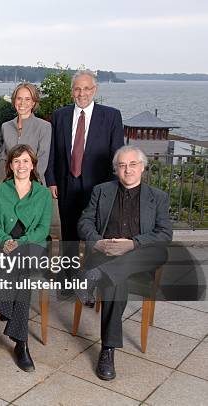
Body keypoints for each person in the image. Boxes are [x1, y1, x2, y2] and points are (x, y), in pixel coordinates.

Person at [75, 145, 172, 381]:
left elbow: (164, 234)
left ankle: (94, 275)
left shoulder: (157, 197)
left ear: (142, 168)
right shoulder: (101, 191)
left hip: (141, 255)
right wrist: (98, 243)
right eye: (122, 165)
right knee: (114, 281)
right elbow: (84, 222)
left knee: (156, 253)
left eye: (133, 164)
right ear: (116, 169)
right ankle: (108, 350)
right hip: (106, 253)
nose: (127, 170)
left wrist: (133, 244)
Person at [0, 144, 52, 372]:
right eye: (17, 161)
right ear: (10, 166)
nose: (21, 165)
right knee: (20, 271)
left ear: (33, 165)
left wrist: (21, 243)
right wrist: (5, 239)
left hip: (31, 246)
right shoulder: (1, 191)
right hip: (1, 246)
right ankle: (21, 344)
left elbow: (42, 229)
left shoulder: (43, 194)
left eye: (26, 161)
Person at [45, 69, 124, 292]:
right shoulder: (60, 115)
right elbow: (53, 152)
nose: (82, 93)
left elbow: (116, 155)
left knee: (93, 235)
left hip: (98, 187)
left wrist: (110, 188)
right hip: (66, 183)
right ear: (72, 92)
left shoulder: (111, 116)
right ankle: (69, 281)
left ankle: (89, 284)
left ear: (94, 90)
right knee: (69, 233)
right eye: (78, 89)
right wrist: (51, 180)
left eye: (87, 88)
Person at [0, 83, 51, 183]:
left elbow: (42, 161)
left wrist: (24, 184)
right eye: (19, 98)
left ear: (33, 102)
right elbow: (2, 158)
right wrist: (9, 181)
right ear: (14, 100)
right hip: (8, 186)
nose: (22, 103)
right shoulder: (6, 127)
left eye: (27, 99)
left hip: (34, 187)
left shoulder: (44, 127)